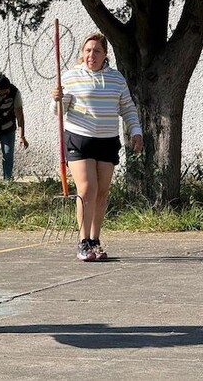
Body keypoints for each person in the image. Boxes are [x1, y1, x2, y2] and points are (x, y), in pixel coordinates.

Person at [50, 32, 142, 261]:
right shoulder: (70, 77)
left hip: (107, 140)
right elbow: (58, 113)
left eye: (97, 50)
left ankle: (94, 240)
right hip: (79, 139)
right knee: (87, 189)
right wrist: (57, 99)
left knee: (101, 192)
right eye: (88, 50)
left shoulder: (116, 79)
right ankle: (82, 242)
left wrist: (136, 131)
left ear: (105, 54)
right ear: (82, 54)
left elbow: (128, 108)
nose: (92, 54)